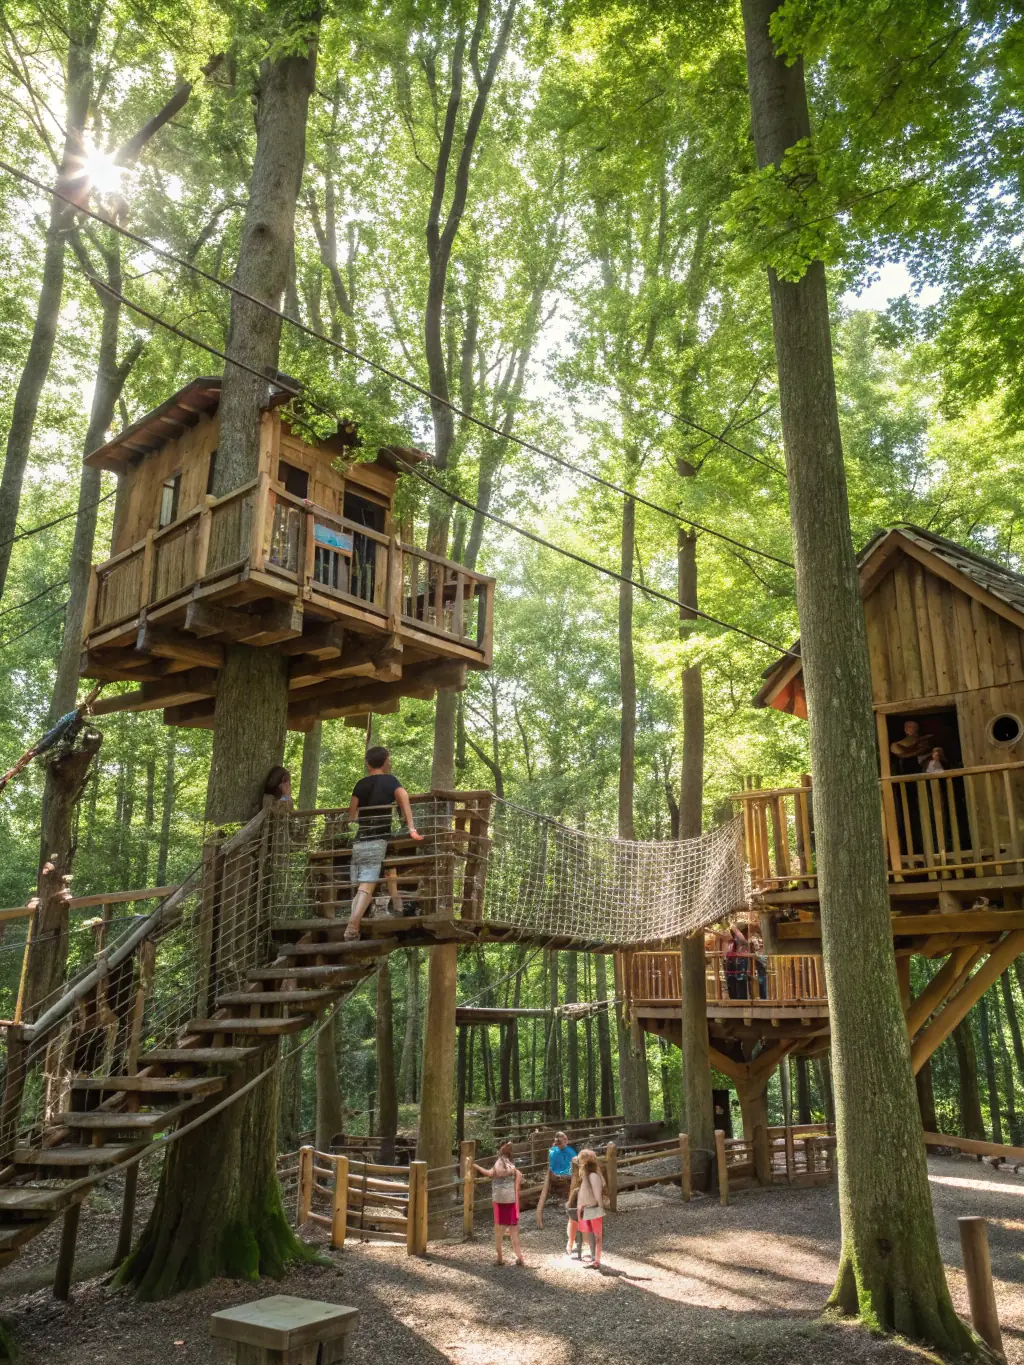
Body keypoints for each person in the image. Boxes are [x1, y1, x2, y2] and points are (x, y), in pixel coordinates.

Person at [344, 747, 422, 940]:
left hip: (361, 839)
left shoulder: (360, 784)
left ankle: (395, 906)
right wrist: (411, 827)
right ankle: (352, 927)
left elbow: (352, 816)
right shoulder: (392, 781)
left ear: (368, 763)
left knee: (366, 884)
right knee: (366, 887)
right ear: (386, 761)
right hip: (378, 839)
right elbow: (404, 799)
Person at [474, 1141, 526, 1266]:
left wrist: (475, 1166)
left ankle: (500, 1258)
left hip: (499, 1201)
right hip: (511, 1201)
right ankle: (521, 1258)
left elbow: (488, 1173)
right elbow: (518, 1186)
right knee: (514, 1232)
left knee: (498, 1232)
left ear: (500, 1152)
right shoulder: (513, 1168)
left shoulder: (497, 1165)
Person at [536, 1130, 576, 1230]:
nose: (566, 1140)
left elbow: (550, 1165)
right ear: (565, 1140)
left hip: (555, 1174)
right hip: (565, 1175)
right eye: (565, 1139)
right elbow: (573, 1165)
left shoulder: (552, 1150)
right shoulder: (568, 1151)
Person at [574, 1148, 606, 1268]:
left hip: (594, 1208)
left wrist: (600, 1208)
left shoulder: (593, 1175)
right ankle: (594, 1257)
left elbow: (597, 1194)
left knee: (597, 1236)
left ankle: (596, 1260)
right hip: (586, 1209)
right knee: (589, 1235)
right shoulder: (586, 1176)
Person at [724, 925, 750, 1001]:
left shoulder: (744, 941)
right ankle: (733, 1001)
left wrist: (733, 926)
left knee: (740, 984)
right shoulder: (731, 942)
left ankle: (741, 1001)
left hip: (740, 965)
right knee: (731, 984)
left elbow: (741, 939)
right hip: (731, 966)